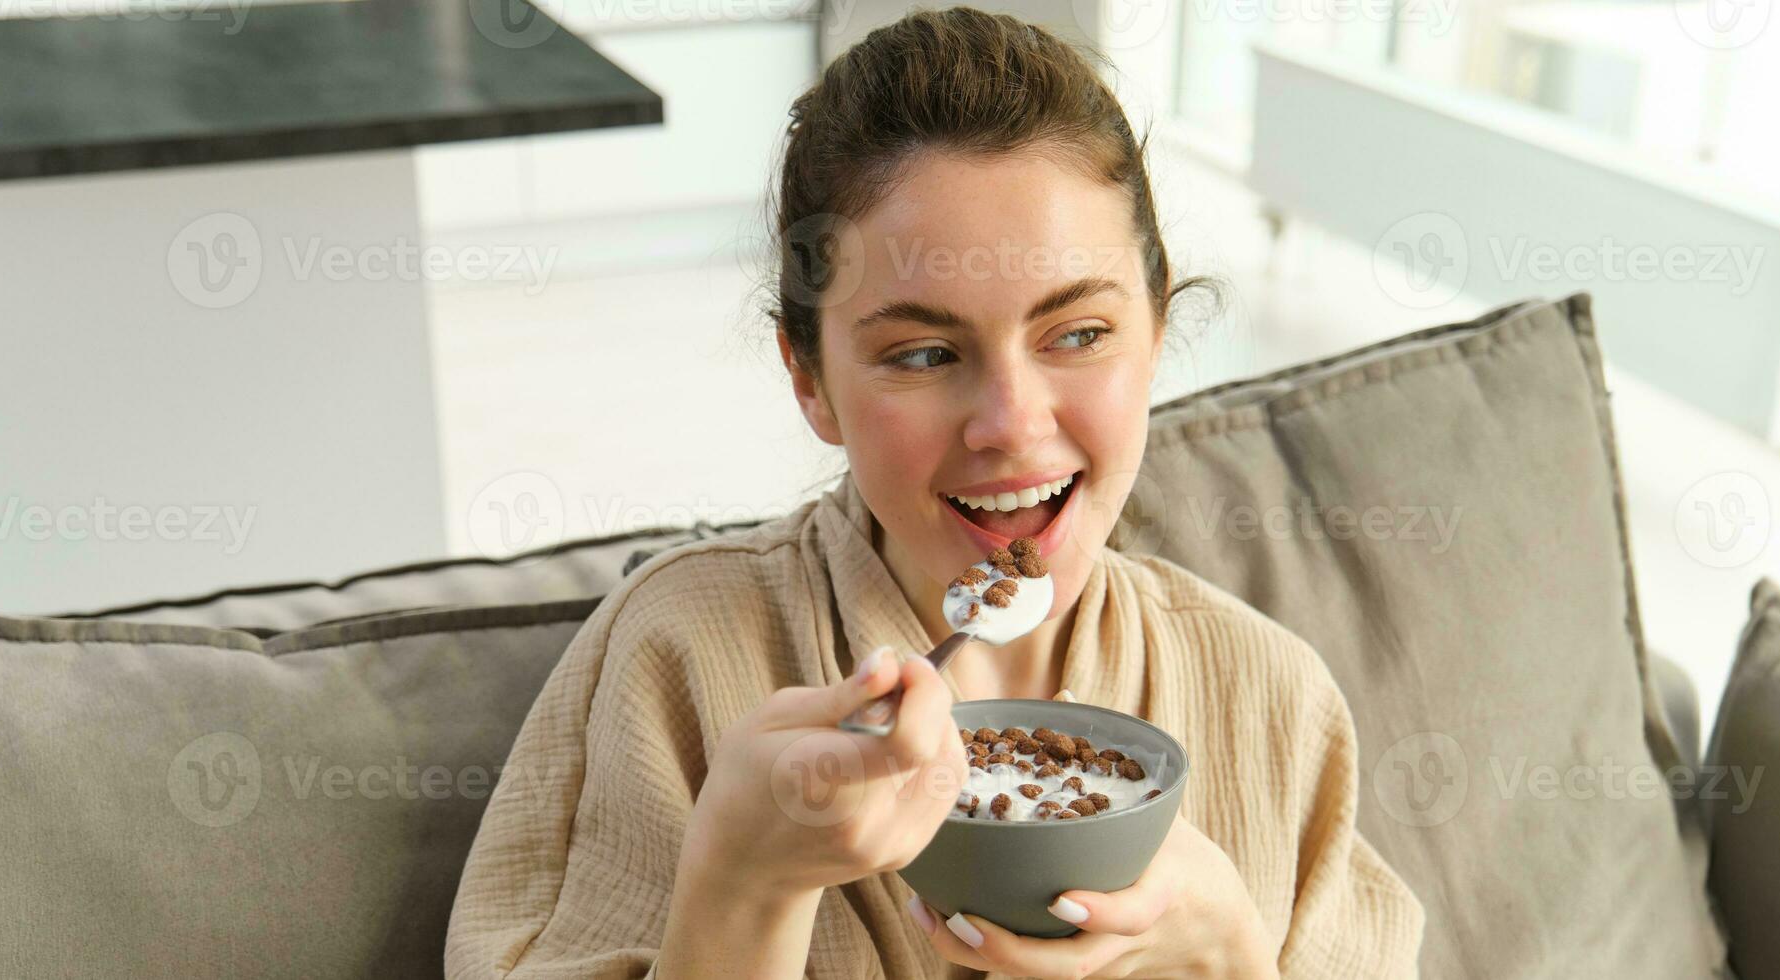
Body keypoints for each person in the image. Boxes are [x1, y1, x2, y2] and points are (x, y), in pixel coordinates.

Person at [445, 7, 1424, 977]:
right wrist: (740, 886)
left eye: (1076, 333)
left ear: (1157, 331)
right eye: (922, 352)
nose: (1009, 420)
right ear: (810, 380)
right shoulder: (680, 655)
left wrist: (1229, 949)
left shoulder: (1268, 694)